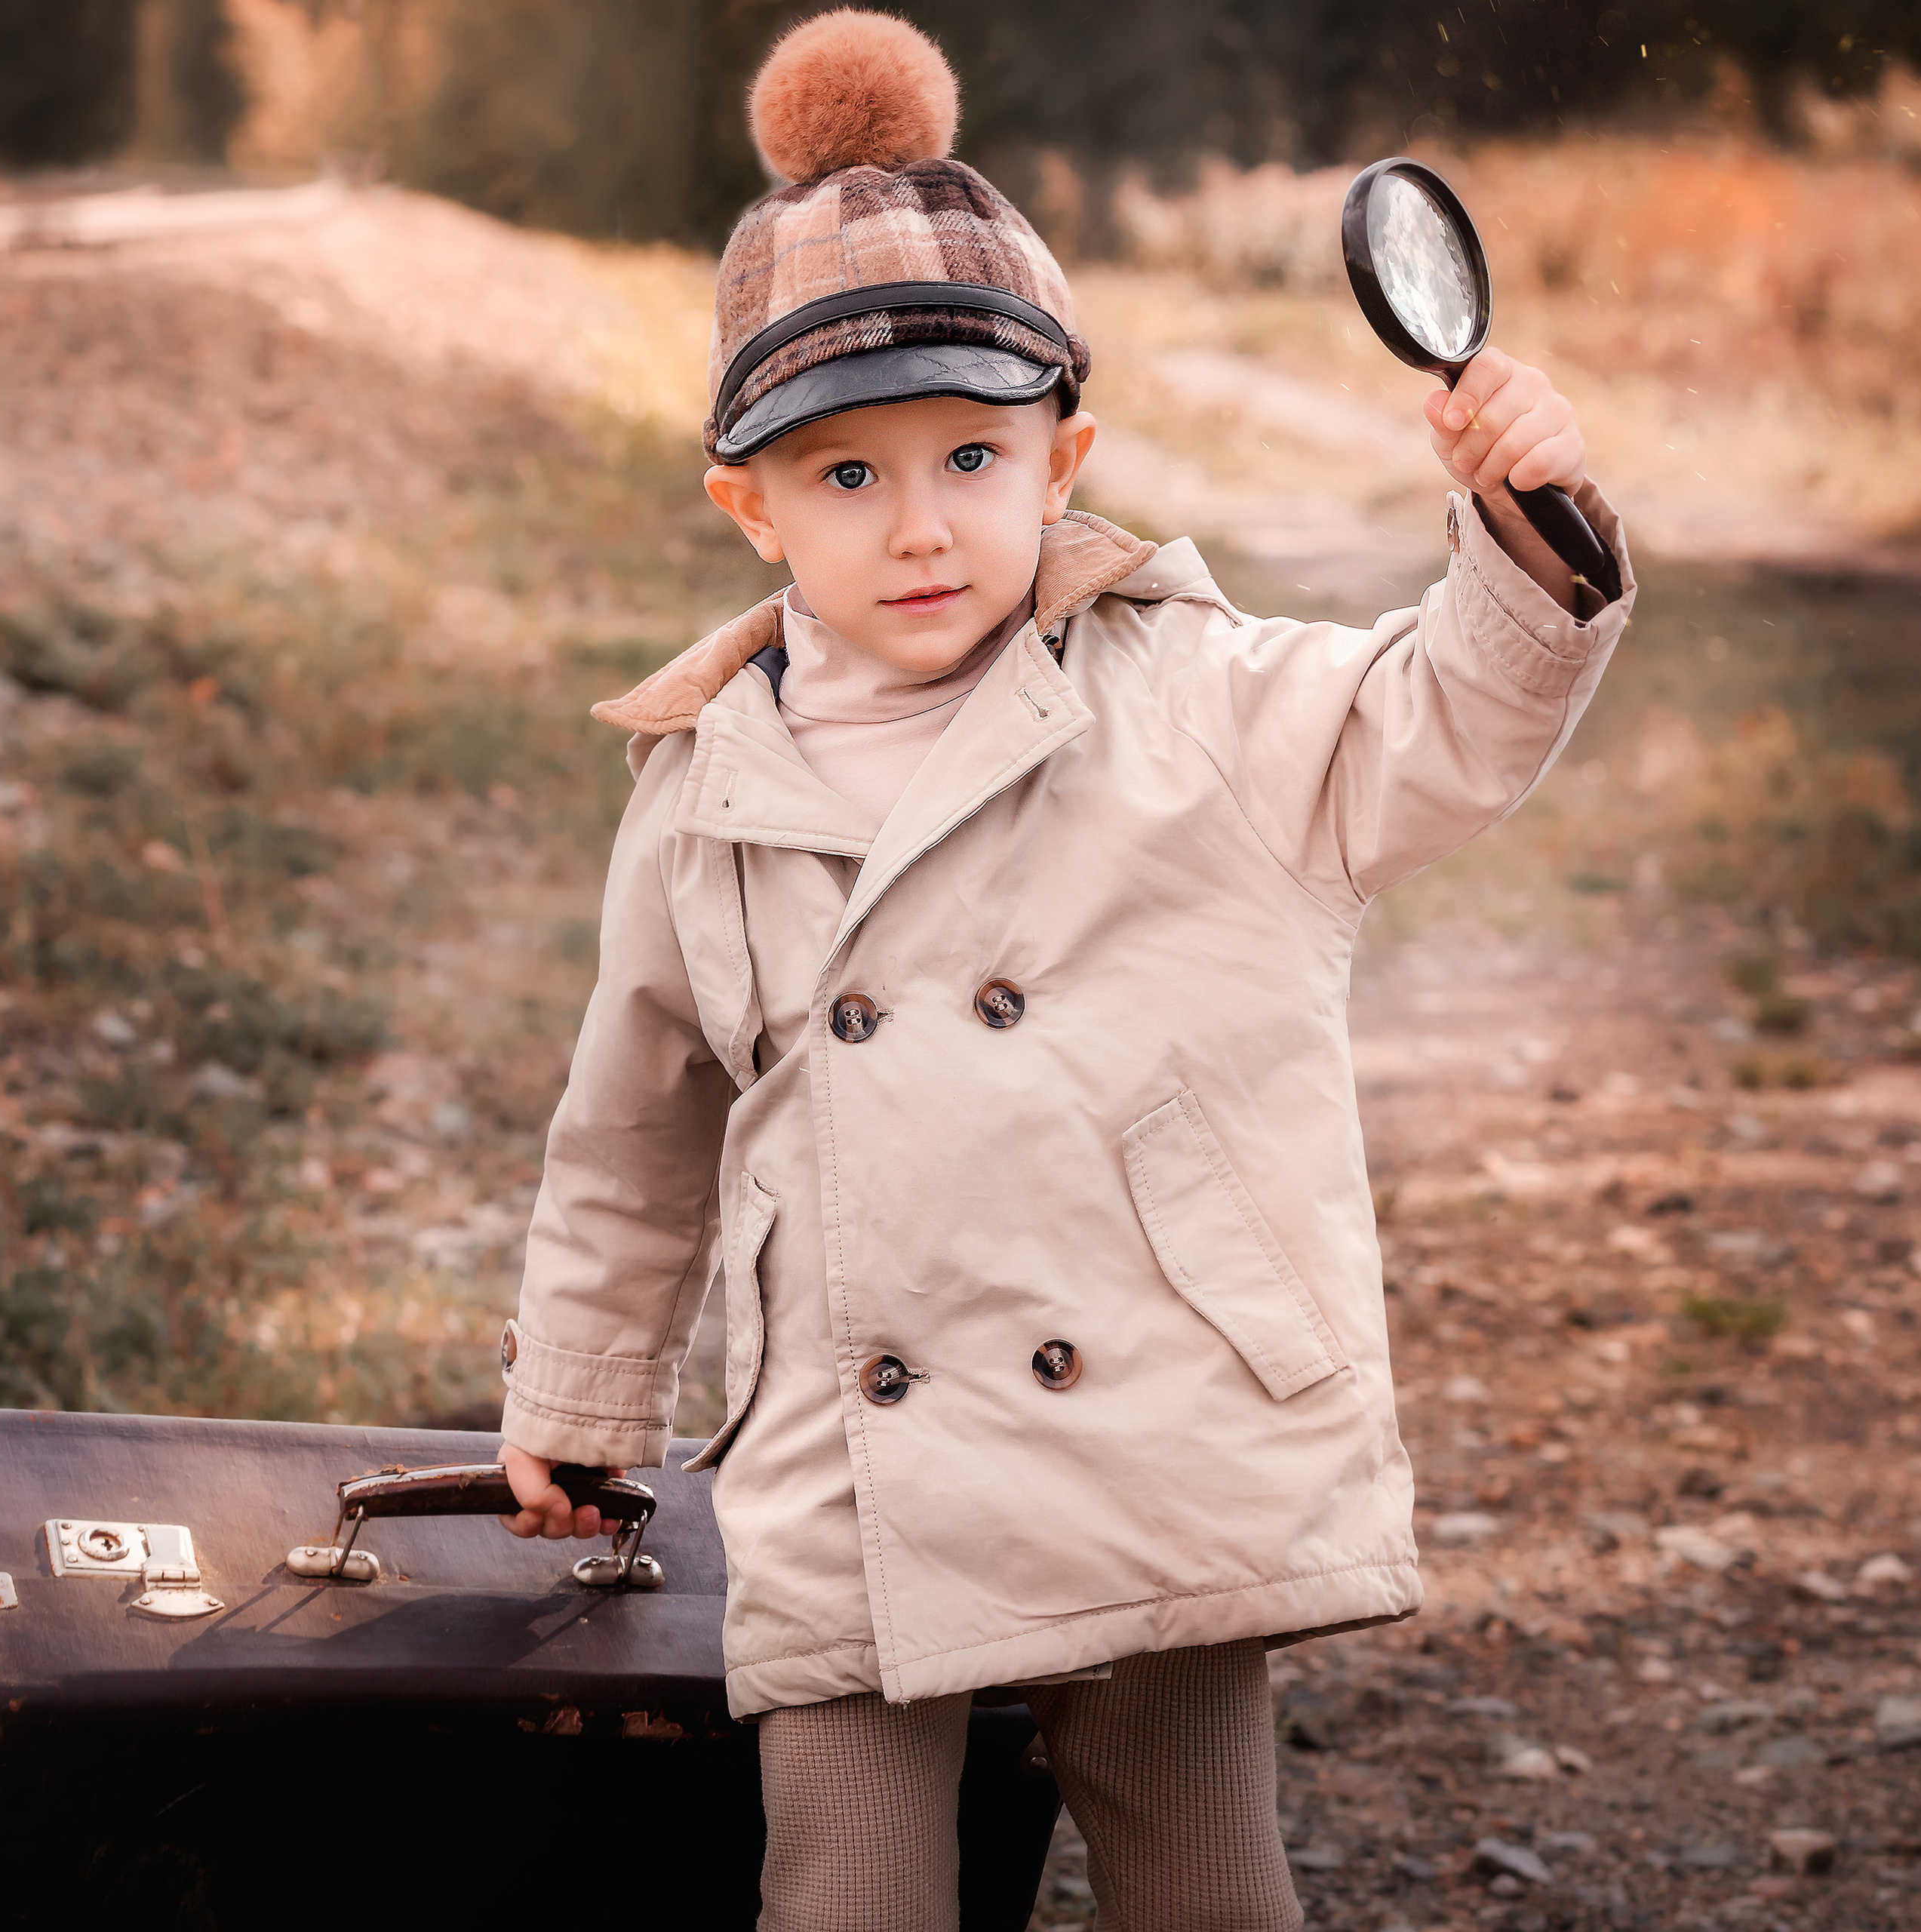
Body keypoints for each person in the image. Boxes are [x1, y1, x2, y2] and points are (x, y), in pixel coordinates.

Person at [493, 11, 1634, 1928]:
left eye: (967, 452)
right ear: (748, 505)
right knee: (840, 1889)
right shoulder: (705, 785)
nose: (921, 521)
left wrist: (1520, 530)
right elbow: (635, 1116)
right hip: (857, 1447)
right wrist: (583, 1391)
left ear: (1063, 452)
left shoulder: (1193, 692)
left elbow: (1435, 721)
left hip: (1148, 1406)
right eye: (843, 477)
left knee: (1203, 1878)